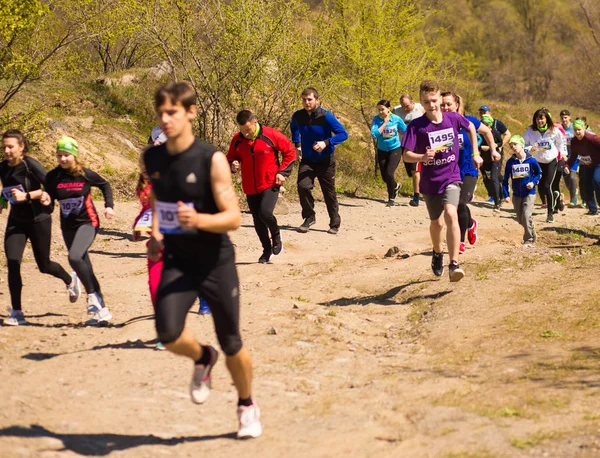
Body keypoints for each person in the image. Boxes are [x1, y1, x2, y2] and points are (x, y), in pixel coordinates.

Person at [144, 82, 261, 439]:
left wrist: (199, 221)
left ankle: (246, 405)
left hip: (215, 260)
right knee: (167, 333)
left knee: (232, 342)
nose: (165, 120)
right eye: (160, 113)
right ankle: (201, 358)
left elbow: (234, 218)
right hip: (177, 258)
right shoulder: (153, 158)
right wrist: (156, 236)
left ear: (191, 112)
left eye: (172, 113)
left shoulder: (210, 159)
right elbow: (160, 205)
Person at [402, 80, 481, 282]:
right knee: (436, 223)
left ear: (439, 98)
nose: (432, 105)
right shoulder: (416, 126)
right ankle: (437, 252)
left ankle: (454, 264)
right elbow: (406, 155)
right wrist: (421, 157)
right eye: (427, 102)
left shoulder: (453, 118)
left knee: (451, 213)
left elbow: (471, 127)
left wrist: (476, 153)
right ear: (421, 102)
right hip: (430, 181)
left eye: (434, 100)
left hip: (452, 177)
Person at [0, 130, 78, 326]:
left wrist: (30, 196)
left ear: (21, 147)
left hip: (39, 219)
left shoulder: (30, 165)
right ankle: (17, 312)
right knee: (13, 262)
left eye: (11, 147)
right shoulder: (2, 167)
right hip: (16, 221)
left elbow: (53, 187)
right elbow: (7, 188)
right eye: (4, 147)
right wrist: (2, 200)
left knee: (44, 265)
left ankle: (69, 280)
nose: (7, 151)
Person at [43, 136, 115, 325]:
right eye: (59, 155)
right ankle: (102, 311)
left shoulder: (84, 173)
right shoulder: (52, 177)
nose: (63, 159)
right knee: (85, 267)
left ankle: (92, 296)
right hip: (68, 227)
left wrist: (109, 206)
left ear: (74, 155)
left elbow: (105, 185)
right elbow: (49, 201)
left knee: (74, 258)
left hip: (88, 223)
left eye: (66, 155)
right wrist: (46, 202)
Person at [228, 110, 295, 262]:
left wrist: (283, 172)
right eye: (242, 131)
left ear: (255, 122)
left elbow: (290, 152)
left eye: (248, 130)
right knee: (257, 220)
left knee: (265, 213)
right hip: (250, 185)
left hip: (270, 182)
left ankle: (276, 235)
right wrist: (233, 164)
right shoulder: (237, 140)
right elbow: (231, 157)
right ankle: (266, 250)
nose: (245, 134)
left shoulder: (271, 135)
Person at [440, 92, 498, 254]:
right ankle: (470, 223)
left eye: (448, 104)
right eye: (442, 105)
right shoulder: (439, 124)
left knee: (460, 203)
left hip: (468, 168)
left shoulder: (469, 121)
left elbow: (487, 132)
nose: (445, 108)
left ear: (457, 105)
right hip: (449, 170)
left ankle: (460, 241)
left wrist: (493, 149)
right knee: (454, 205)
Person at [291, 88, 348, 234]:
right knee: (302, 186)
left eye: (309, 99)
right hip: (308, 160)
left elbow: (343, 134)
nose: (306, 102)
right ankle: (309, 217)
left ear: (317, 100)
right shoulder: (298, 115)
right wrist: (297, 145)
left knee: (329, 193)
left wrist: (326, 142)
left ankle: (334, 223)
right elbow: (294, 128)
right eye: (304, 99)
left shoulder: (326, 116)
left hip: (325, 160)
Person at [523, 108, 565, 223]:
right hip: (538, 162)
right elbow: (523, 144)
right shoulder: (530, 131)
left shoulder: (554, 130)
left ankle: (550, 213)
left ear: (546, 119)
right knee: (540, 186)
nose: (539, 121)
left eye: (541, 118)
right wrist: (529, 148)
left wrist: (564, 154)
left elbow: (561, 142)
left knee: (547, 186)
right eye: (537, 119)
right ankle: (555, 198)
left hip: (551, 161)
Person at [502, 135, 542, 245]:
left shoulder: (531, 160)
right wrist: (506, 194)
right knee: (520, 219)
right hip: (516, 194)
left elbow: (539, 173)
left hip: (529, 193)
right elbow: (505, 179)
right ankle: (531, 228)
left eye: (515, 144)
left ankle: (528, 240)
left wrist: (533, 183)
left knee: (526, 215)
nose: (513, 147)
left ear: (522, 145)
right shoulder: (511, 162)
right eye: (511, 146)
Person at [370, 100, 407, 206]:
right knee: (384, 176)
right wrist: (385, 123)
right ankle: (395, 186)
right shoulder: (376, 120)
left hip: (395, 149)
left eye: (382, 109)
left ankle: (391, 198)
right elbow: (374, 134)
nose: (380, 112)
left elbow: (406, 131)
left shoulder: (396, 119)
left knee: (389, 173)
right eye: (379, 109)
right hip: (382, 150)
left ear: (388, 109)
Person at [394, 94, 425, 206]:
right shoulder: (396, 110)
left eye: (407, 106)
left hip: (418, 143)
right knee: (411, 172)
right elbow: (391, 121)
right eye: (403, 106)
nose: (405, 108)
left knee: (415, 170)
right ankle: (423, 187)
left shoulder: (420, 108)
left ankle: (416, 197)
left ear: (412, 102)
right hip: (404, 143)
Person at [566, 119, 600, 215]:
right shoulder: (574, 142)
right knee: (586, 185)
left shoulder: (592, 138)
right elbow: (573, 156)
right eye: (575, 130)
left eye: (579, 129)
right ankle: (593, 209)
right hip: (587, 165)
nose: (577, 132)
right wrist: (567, 166)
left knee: (596, 180)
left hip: (598, 163)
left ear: (584, 129)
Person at [479, 114, 504, 211]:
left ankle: (497, 203)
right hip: (484, 159)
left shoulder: (495, 133)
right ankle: (500, 195)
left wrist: (492, 146)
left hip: (494, 158)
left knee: (494, 178)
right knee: (487, 179)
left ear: (489, 125)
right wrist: (481, 147)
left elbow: (500, 142)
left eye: (485, 124)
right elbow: (476, 143)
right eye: (482, 123)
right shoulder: (479, 133)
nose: (483, 125)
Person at [560, 109, 579, 207]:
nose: (564, 120)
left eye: (566, 117)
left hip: (574, 156)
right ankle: (574, 191)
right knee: (566, 178)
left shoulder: (574, 127)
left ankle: (573, 199)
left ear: (570, 118)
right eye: (562, 118)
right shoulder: (560, 128)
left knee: (572, 177)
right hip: (563, 156)